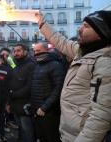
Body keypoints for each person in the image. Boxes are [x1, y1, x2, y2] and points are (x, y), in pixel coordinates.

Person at [36, 10, 111, 142]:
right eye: (81, 25)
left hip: (81, 135)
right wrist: (42, 24)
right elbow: (61, 41)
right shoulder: (82, 51)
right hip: (68, 133)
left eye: (86, 26)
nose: (80, 29)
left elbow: (101, 115)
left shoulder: (105, 62)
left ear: (101, 32)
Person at [31, 42, 65, 142]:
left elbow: (58, 88)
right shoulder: (37, 65)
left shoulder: (55, 65)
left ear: (47, 50)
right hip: (37, 110)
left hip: (49, 112)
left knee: (51, 137)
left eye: (39, 51)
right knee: (41, 137)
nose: (36, 53)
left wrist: (44, 107)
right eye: (35, 51)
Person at [7, 44, 35, 142]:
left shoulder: (31, 64)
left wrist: (14, 94)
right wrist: (9, 102)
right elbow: (11, 82)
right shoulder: (14, 64)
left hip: (25, 105)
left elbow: (29, 86)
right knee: (21, 130)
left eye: (18, 51)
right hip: (15, 104)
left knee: (27, 131)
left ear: (25, 52)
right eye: (14, 51)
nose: (16, 53)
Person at [0, 47, 12, 142]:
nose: (4, 57)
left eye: (7, 55)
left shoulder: (10, 67)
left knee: (1, 116)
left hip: (4, 96)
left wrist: (8, 101)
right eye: (3, 55)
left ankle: (2, 135)